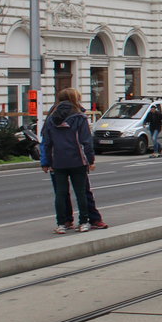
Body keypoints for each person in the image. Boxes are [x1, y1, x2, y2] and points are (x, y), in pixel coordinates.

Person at [40, 88, 96, 234]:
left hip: (58, 161)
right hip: (77, 159)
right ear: (74, 99)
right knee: (81, 192)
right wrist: (90, 160)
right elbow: (86, 141)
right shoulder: (79, 117)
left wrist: (45, 162)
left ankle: (61, 224)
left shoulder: (52, 118)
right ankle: (83, 222)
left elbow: (46, 141)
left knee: (60, 193)